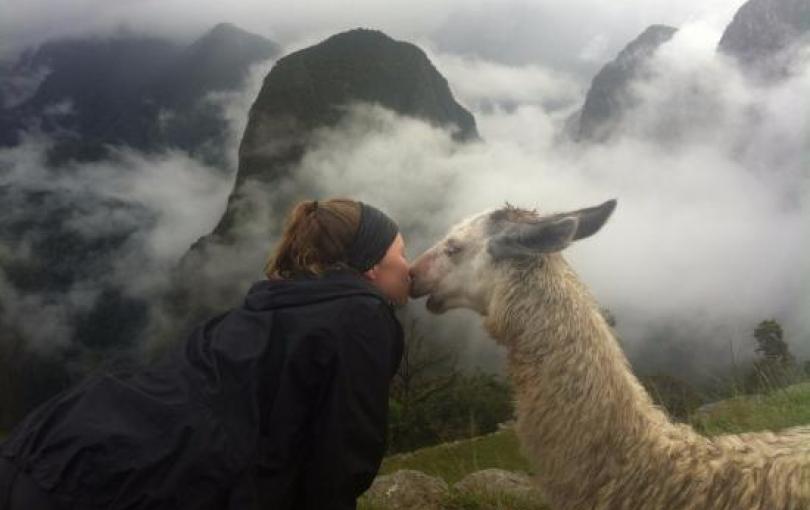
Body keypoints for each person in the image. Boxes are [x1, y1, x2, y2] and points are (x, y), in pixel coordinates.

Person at [0, 198, 410, 510]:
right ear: (371, 266)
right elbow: (341, 463)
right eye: (401, 254)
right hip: (124, 483)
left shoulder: (270, 302)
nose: (409, 267)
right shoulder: (361, 315)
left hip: (63, 438)